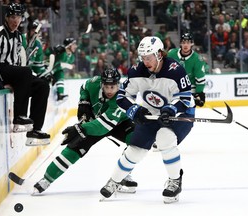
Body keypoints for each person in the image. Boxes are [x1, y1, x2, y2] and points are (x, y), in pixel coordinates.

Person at [99, 36, 195, 204]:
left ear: (159, 54)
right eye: (142, 57)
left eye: (148, 57)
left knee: (165, 139)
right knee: (135, 148)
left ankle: (175, 181)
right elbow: (122, 96)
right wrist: (133, 109)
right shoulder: (137, 71)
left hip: (180, 113)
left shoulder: (175, 70)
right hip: (151, 113)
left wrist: (172, 108)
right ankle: (115, 180)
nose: (145, 61)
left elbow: (185, 99)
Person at [33, 68, 138, 194]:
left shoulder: (122, 97)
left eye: (113, 87)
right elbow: (84, 87)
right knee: (74, 148)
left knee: (137, 140)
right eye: (107, 87)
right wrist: (84, 100)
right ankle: (46, 179)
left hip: (120, 122)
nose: (110, 90)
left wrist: (79, 129)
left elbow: (103, 126)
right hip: (95, 120)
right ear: (101, 84)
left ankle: (123, 174)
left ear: (118, 85)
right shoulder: (93, 83)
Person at [0, 3, 50, 146]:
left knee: (42, 85)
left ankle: (35, 130)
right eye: (13, 17)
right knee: (25, 72)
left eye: (18, 17)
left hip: (14, 72)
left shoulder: (19, 37)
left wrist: (23, 79)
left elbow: (18, 63)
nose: (16, 20)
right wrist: (1, 82)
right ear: (6, 17)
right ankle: (19, 117)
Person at [167, 32, 206, 107]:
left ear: (192, 44)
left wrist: (199, 93)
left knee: (188, 114)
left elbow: (200, 79)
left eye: (188, 42)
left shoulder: (197, 59)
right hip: (172, 89)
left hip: (189, 91)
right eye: (183, 42)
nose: (185, 45)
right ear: (180, 44)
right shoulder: (171, 54)